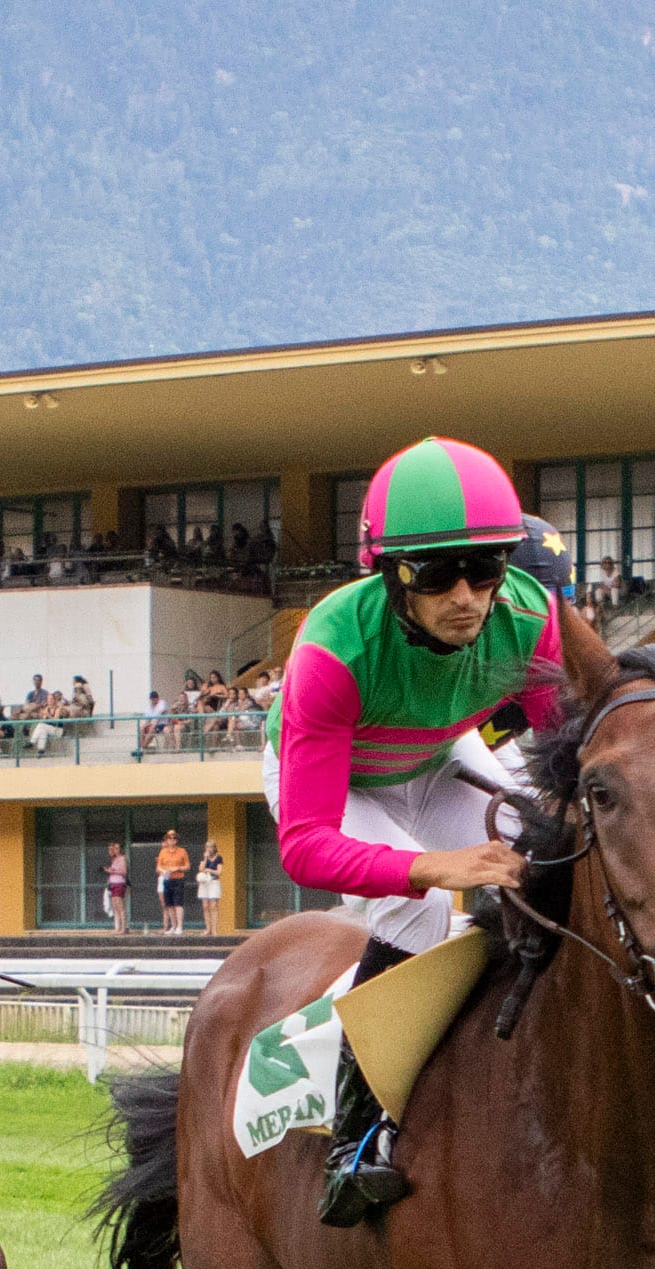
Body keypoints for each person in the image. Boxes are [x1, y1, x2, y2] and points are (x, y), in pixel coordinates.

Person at [266, 437, 560, 1225]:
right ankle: (355, 1144)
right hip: (334, 778)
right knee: (422, 908)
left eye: (487, 568)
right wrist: (436, 867)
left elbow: (568, 762)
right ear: (389, 574)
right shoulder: (335, 650)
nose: (467, 595)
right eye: (437, 574)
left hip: (434, 751)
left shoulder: (532, 616)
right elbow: (305, 845)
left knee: (549, 853)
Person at [157, 829, 192, 936]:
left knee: (178, 903)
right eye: (169, 838)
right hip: (167, 879)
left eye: (173, 838)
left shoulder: (182, 851)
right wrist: (163, 871)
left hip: (178, 879)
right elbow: (159, 866)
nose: (171, 840)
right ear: (166, 840)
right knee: (169, 904)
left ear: (176, 840)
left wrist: (177, 868)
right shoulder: (163, 852)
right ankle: (173, 925)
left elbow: (187, 866)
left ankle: (180, 927)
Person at [197, 841, 224, 930]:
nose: (209, 849)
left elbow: (219, 872)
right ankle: (208, 929)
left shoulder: (218, 858)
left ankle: (214, 929)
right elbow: (201, 869)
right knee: (205, 906)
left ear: (214, 848)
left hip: (214, 882)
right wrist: (205, 858)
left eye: (211, 847)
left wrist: (209, 870)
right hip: (205, 883)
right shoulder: (205, 858)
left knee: (213, 905)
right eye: (207, 847)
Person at [104, 842, 129, 934]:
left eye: (117, 848)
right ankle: (117, 927)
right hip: (113, 883)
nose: (115, 850)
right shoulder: (114, 859)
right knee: (115, 906)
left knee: (120, 906)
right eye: (114, 848)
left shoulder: (122, 858)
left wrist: (113, 871)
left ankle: (123, 928)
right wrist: (109, 871)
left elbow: (124, 872)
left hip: (119, 883)